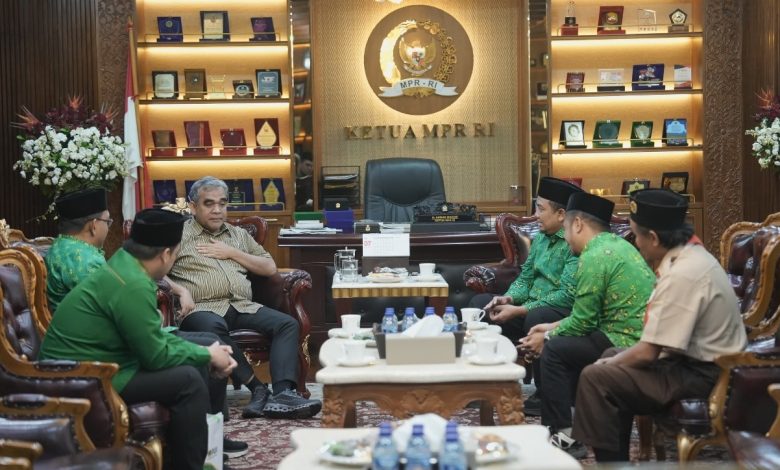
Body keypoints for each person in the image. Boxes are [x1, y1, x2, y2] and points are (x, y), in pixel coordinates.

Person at [44, 189, 248, 460]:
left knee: (194, 361)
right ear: (165, 254)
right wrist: (207, 354)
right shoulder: (133, 284)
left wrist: (205, 354)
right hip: (83, 375)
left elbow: (151, 338)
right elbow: (154, 354)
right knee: (188, 380)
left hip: (106, 361)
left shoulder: (123, 262)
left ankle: (206, 453)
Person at [571, 189, 747, 462]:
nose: (636, 243)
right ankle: (617, 459)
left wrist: (606, 365)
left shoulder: (683, 273)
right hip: (691, 363)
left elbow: (647, 352)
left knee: (596, 376)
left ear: (653, 238)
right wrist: (612, 360)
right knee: (610, 356)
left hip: (705, 375)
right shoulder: (689, 256)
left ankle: (609, 465)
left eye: (636, 235)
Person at [168, 176, 322, 419]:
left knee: (287, 324)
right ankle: (258, 389)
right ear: (193, 207)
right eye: (209, 203)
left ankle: (283, 394)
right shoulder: (178, 235)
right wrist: (181, 291)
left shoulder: (238, 235)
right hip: (201, 308)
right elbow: (150, 269)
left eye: (222, 203)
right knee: (212, 329)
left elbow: (269, 267)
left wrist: (232, 252)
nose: (217, 210)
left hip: (242, 305)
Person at [518, 192, 655, 458]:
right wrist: (549, 327)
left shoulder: (594, 256)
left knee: (555, 351)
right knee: (559, 343)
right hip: (629, 333)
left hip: (624, 340)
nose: (566, 237)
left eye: (567, 229)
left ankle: (564, 435)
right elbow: (588, 316)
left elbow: (583, 322)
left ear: (578, 224)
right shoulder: (617, 245)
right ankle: (565, 427)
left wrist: (547, 337)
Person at [470, 177, 583, 415]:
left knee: (537, 317)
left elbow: (567, 295)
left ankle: (545, 394)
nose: (535, 215)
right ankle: (480, 384)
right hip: (529, 307)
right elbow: (525, 278)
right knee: (480, 306)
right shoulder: (540, 238)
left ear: (561, 214)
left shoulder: (574, 242)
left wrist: (521, 310)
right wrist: (508, 299)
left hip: (558, 312)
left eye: (541, 209)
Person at [44, 188, 111, 312]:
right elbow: (110, 307)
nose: (108, 228)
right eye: (107, 221)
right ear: (93, 225)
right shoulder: (87, 260)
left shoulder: (60, 244)